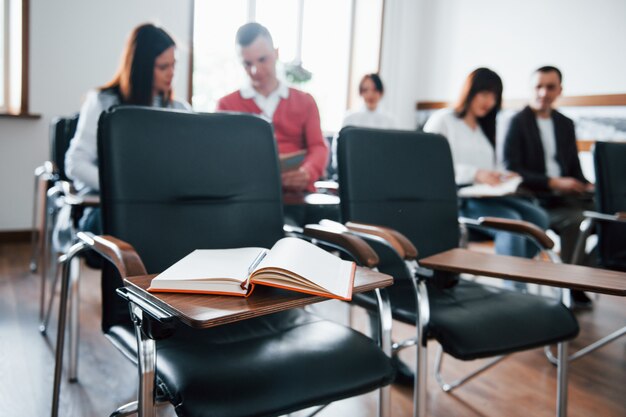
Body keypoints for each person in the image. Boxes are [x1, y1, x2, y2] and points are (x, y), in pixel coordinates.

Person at [424, 68, 549, 290]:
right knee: (510, 224)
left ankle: (515, 270)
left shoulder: (485, 129)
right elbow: (428, 166)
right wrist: (474, 173)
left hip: (484, 196)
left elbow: (488, 168)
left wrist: (500, 175)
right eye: (484, 93)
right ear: (470, 91)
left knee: (538, 217)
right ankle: (516, 291)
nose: (489, 101)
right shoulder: (443, 120)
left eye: (494, 96)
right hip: (456, 199)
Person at [65, 23, 190, 235]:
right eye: (162, 67)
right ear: (141, 67)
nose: (171, 74)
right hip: (108, 208)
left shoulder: (180, 109)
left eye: (174, 65)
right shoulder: (103, 102)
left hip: (162, 206)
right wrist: (122, 186)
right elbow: (76, 163)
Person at [503, 65, 594, 306]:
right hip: (535, 198)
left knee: (605, 213)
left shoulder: (565, 124)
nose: (543, 92)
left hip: (567, 196)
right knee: (578, 221)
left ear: (559, 90)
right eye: (538, 86)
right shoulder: (517, 122)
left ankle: (583, 275)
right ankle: (571, 284)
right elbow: (512, 170)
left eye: (550, 87)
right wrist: (552, 182)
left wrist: (587, 185)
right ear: (530, 89)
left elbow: (574, 168)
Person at [217, 22, 329, 195]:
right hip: (245, 198)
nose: (255, 70)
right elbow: (222, 155)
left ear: (276, 54)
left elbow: (318, 147)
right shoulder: (226, 105)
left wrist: (307, 172)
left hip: (295, 197)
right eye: (247, 64)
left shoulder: (305, 101)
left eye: (262, 59)